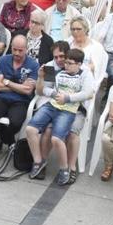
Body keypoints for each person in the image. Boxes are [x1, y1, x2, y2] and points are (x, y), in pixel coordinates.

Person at [26, 48, 95, 185]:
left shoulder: (84, 72)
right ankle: (39, 162)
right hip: (53, 105)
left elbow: (89, 93)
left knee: (69, 134)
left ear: (78, 63)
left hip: (73, 109)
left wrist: (68, 98)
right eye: (56, 57)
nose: (62, 62)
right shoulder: (54, 70)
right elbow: (41, 90)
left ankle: (69, 168)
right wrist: (41, 78)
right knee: (32, 129)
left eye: (64, 59)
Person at [0, 34, 39, 153]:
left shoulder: (33, 65)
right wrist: (20, 87)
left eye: (20, 50)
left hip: (21, 101)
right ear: (11, 47)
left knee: (16, 123)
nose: (17, 53)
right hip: (2, 98)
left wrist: (7, 82)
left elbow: (28, 90)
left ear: (26, 49)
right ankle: (9, 140)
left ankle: (1, 139)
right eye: (14, 49)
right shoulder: (4, 60)